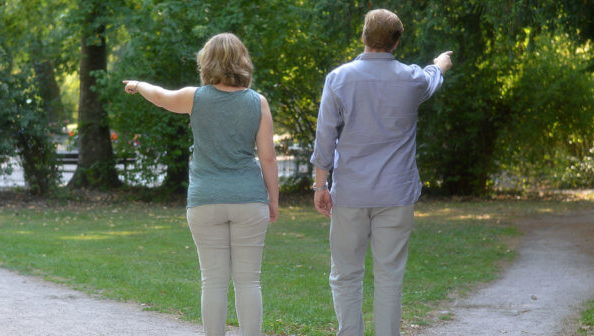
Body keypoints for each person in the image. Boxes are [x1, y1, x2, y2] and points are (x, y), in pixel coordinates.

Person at [123, 33, 279, 336]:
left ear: (206, 62)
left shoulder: (196, 97)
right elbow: (269, 159)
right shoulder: (257, 102)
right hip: (249, 199)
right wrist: (273, 199)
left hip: (205, 200)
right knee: (249, 281)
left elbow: (160, 96)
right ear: (243, 62)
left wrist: (138, 85)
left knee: (213, 281)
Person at [310, 9, 453, 336]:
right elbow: (433, 77)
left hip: (350, 194)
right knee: (389, 276)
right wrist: (440, 63)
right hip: (396, 194)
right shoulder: (411, 79)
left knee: (346, 275)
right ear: (397, 42)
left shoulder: (339, 78)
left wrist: (321, 185)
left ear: (364, 36)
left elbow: (324, 136)